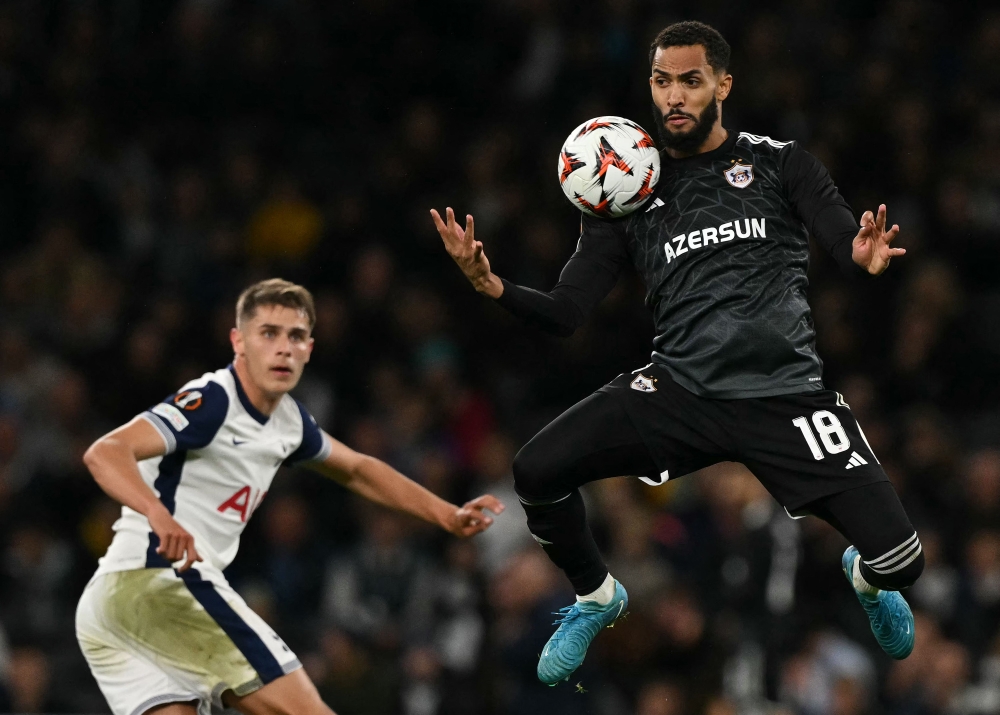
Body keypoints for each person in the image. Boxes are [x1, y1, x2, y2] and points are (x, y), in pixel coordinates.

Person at [432, 20, 922, 685]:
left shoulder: (781, 162)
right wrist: (491, 286)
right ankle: (596, 596)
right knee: (536, 469)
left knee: (903, 562)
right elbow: (566, 312)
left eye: (691, 81)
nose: (674, 97)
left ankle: (865, 578)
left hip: (785, 395)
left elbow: (843, 237)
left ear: (723, 83)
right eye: (662, 81)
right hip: (680, 391)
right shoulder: (629, 188)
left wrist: (860, 252)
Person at [75, 278, 504, 715]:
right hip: (158, 582)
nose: (283, 347)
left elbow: (357, 469)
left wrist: (447, 514)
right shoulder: (214, 400)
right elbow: (105, 452)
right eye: (269, 333)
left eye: (296, 336)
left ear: (309, 349)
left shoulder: (289, 421)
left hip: (111, 607)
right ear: (238, 342)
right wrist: (156, 513)